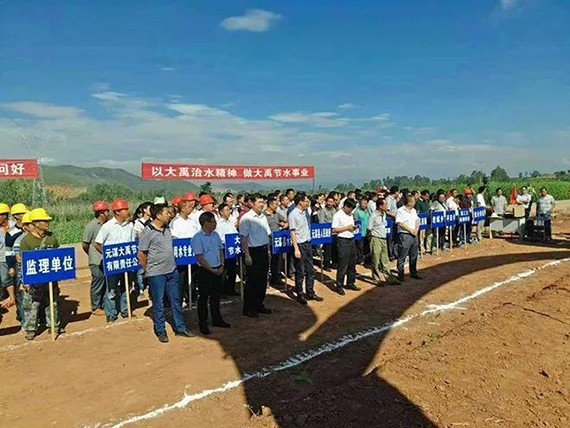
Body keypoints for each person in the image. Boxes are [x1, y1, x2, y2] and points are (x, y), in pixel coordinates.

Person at [138, 203, 192, 343]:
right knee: (159, 302)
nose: (169, 215)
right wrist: (148, 270)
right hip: (156, 274)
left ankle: (180, 328)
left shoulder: (167, 228)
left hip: (172, 271)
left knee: (176, 300)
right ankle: (160, 330)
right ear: (158, 215)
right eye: (166, 213)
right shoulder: (147, 232)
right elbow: (141, 254)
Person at [19, 208, 64, 340]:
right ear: (36, 223)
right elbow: (23, 261)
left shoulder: (51, 238)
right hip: (34, 280)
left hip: (50, 278)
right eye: (45, 221)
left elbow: (58, 255)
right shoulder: (26, 241)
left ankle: (54, 326)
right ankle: (30, 329)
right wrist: (25, 280)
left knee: (52, 302)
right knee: (33, 305)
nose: (47, 223)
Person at [95, 198, 136, 323]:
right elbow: (98, 243)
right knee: (111, 289)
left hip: (126, 263)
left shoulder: (130, 226)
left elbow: (132, 243)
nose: (127, 211)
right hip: (113, 264)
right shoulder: (107, 226)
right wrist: (108, 256)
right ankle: (111, 313)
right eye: (125, 209)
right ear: (117, 212)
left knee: (126, 287)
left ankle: (125, 310)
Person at [193, 211, 231, 335]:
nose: (215, 224)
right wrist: (212, 270)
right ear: (206, 223)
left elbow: (221, 250)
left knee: (216, 296)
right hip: (205, 271)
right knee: (203, 297)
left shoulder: (216, 235)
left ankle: (217, 319)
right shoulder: (197, 238)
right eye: (213, 222)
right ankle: (203, 322)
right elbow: (200, 258)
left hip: (218, 268)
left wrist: (222, 265)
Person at [239, 193, 272, 318]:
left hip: (263, 250)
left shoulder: (263, 217)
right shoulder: (246, 218)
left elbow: (266, 235)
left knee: (262, 279)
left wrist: (268, 251)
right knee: (252, 280)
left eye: (263, 202)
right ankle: (249, 308)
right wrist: (247, 255)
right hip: (253, 251)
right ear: (252, 203)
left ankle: (259, 304)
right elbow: (243, 238)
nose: (261, 205)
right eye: (259, 202)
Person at [289, 192, 323, 304]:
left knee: (310, 270)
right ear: (300, 202)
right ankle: (300, 294)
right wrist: (296, 249)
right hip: (299, 245)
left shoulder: (305, 212)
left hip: (308, 244)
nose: (308, 203)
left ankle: (310, 292)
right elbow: (292, 232)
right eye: (306, 201)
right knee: (300, 271)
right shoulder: (293, 214)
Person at [81, 200, 110, 316]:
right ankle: (95, 306)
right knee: (98, 280)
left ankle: (103, 304)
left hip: (107, 258)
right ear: (101, 213)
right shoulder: (91, 226)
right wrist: (91, 254)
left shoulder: (108, 225)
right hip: (96, 260)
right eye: (107, 211)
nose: (108, 213)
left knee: (106, 282)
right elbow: (85, 244)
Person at [368, 198, 400, 286]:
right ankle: (376, 279)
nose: (387, 206)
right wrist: (371, 240)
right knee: (375, 259)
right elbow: (369, 229)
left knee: (385, 259)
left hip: (383, 238)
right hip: (376, 238)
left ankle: (389, 278)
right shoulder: (373, 216)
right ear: (380, 206)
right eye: (385, 204)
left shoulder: (384, 214)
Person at [332, 198, 360, 295]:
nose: (351, 210)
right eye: (350, 208)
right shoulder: (338, 215)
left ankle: (350, 282)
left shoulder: (350, 214)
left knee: (352, 263)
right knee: (343, 264)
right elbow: (334, 229)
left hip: (351, 239)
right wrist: (346, 228)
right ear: (346, 206)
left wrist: (353, 228)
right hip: (342, 240)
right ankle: (339, 285)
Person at [216, 203, 240, 296]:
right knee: (223, 270)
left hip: (231, 247)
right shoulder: (218, 224)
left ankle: (231, 288)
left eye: (229, 210)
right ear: (221, 212)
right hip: (223, 247)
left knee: (232, 269)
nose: (229, 212)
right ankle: (222, 290)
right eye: (226, 210)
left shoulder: (230, 222)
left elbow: (235, 233)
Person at [396, 195, 421, 282]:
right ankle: (400, 274)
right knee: (402, 255)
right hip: (405, 235)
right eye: (414, 201)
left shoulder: (413, 210)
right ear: (409, 202)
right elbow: (400, 223)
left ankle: (413, 273)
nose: (415, 202)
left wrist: (416, 230)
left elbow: (417, 220)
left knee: (414, 255)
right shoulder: (400, 211)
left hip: (414, 235)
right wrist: (410, 230)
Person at [264, 195, 283, 287]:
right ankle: (266, 280)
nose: (277, 206)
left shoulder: (277, 214)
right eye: (275, 204)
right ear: (270, 205)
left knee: (276, 260)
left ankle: (275, 279)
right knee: (267, 260)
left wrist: (284, 224)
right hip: (267, 241)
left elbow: (286, 220)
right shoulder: (263, 215)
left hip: (276, 241)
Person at [0, 203, 15, 309]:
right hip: (2, 257)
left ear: (4, 215)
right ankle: (12, 297)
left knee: (17, 278)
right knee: (5, 278)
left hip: (15, 256)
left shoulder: (14, 225)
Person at [317, 195, 337, 271]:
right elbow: (321, 222)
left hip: (335, 232)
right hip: (327, 232)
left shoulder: (334, 210)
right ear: (326, 202)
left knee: (334, 249)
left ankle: (334, 263)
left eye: (331, 202)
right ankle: (326, 265)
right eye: (329, 201)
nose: (330, 203)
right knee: (327, 250)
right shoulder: (323, 211)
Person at [354, 196, 370, 265]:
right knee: (360, 247)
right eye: (363, 203)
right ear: (360, 204)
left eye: (366, 203)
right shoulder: (357, 212)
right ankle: (360, 259)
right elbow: (355, 222)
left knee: (367, 247)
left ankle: (367, 259)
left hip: (367, 232)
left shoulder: (367, 211)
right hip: (360, 232)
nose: (365, 205)